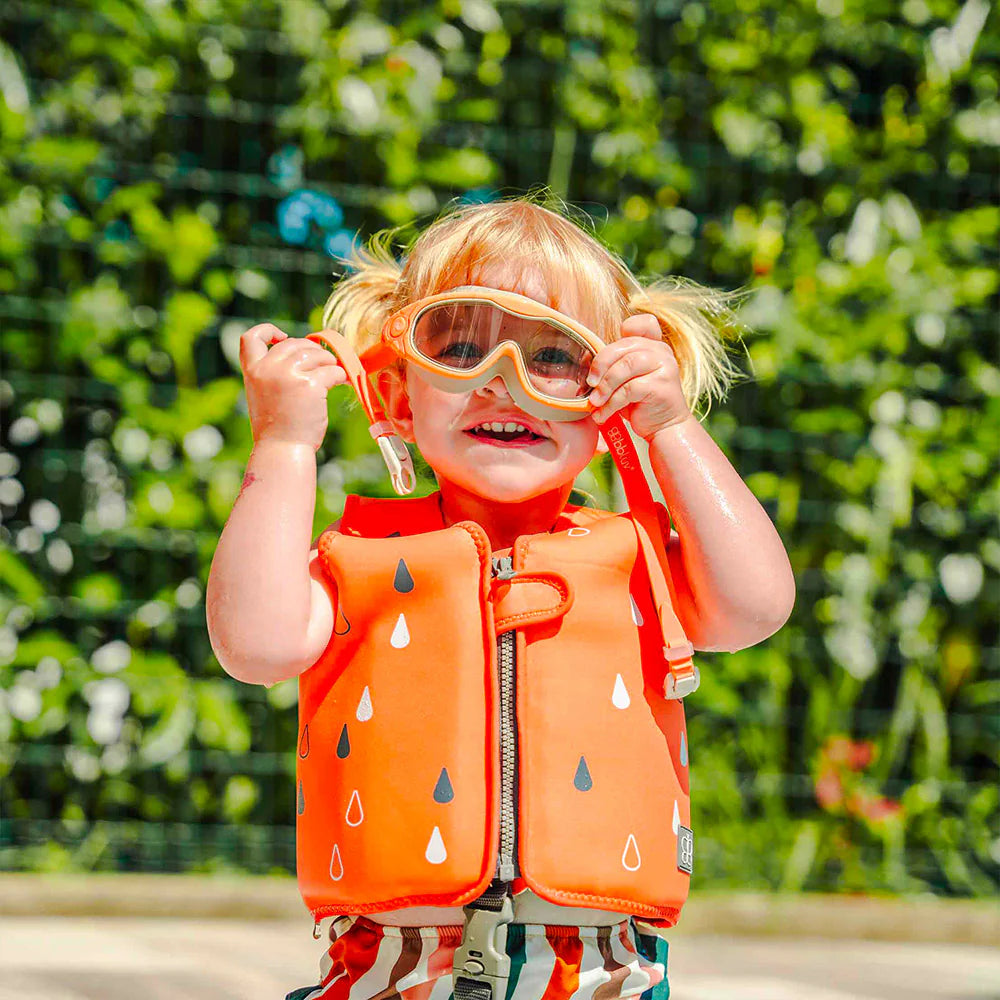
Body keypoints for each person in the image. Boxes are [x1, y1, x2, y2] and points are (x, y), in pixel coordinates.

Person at [206, 196, 796, 1000]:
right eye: (458, 348)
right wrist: (281, 444)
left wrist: (669, 424)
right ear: (398, 397)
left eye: (554, 356)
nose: (503, 383)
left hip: (600, 970)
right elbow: (256, 645)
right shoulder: (362, 562)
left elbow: (755, 608)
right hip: (391, 965)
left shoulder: (640, 563)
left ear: (606, 394)